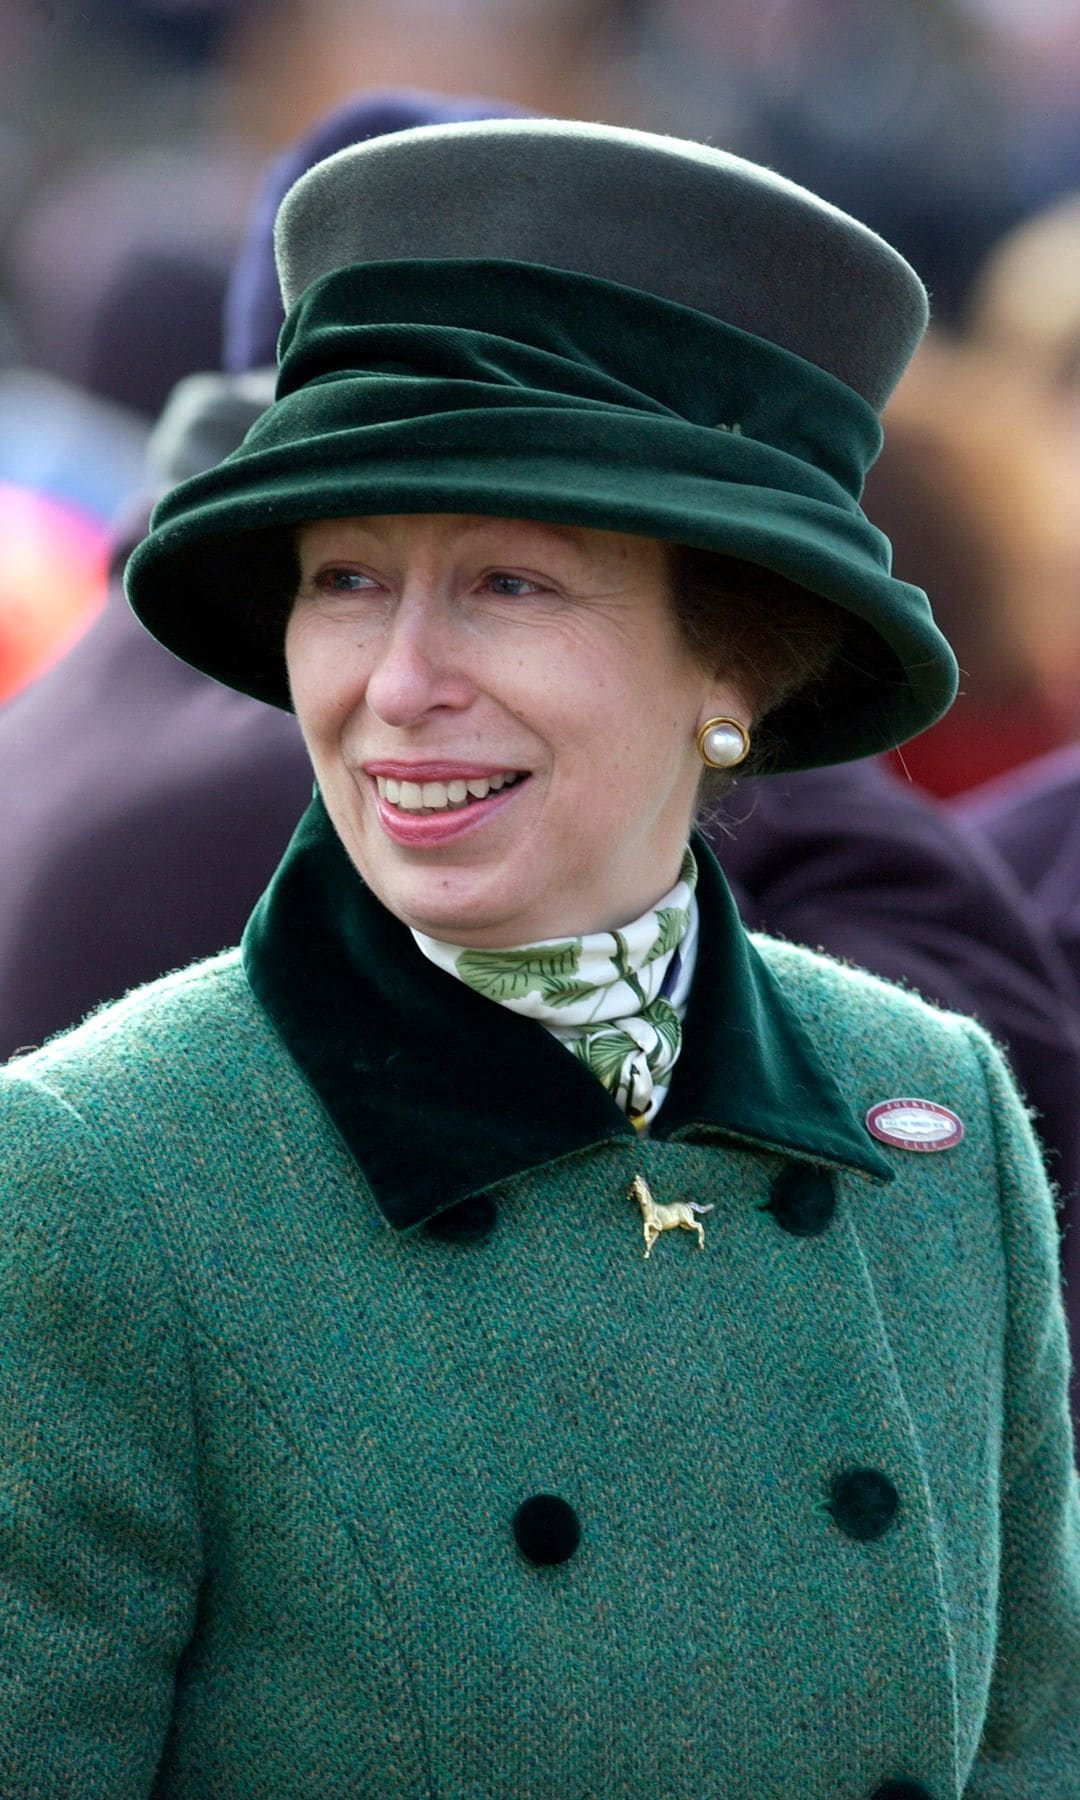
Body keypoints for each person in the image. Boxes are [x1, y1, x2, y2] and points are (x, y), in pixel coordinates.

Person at [1, 119, 1077, 1799]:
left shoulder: (934, 1116)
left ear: (737, 654)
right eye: (346, 579)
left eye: (509, 583)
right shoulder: (97, 1172)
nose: (400, 679)